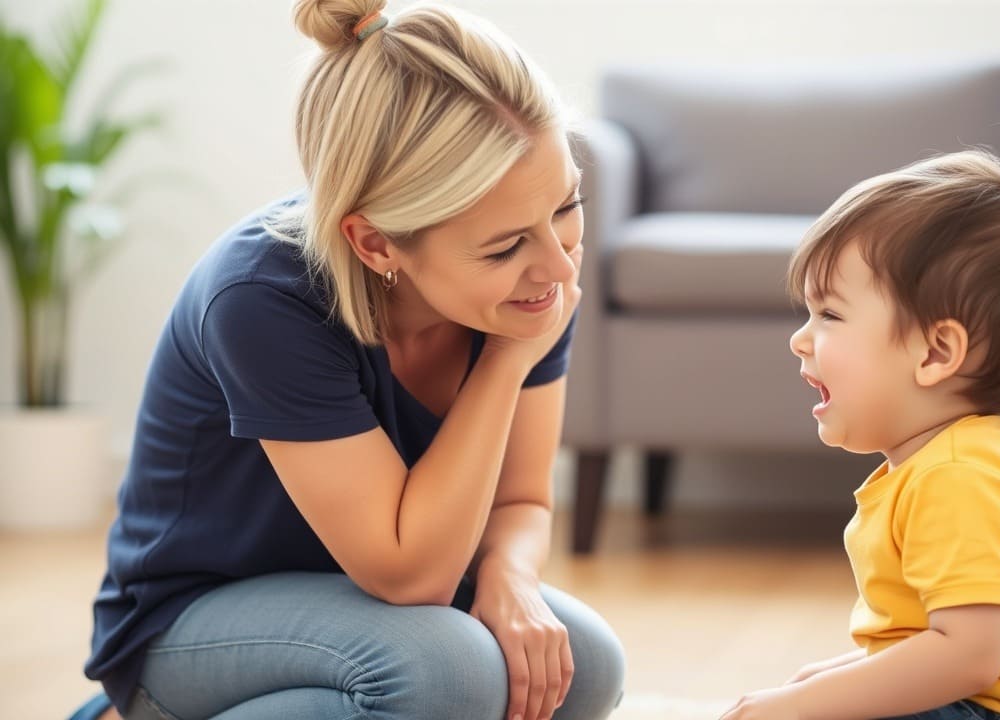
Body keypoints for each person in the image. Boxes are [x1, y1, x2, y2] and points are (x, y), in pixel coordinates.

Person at [71, 2, 624, 718]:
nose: (556, 264)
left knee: (582, 664)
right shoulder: (262, 297)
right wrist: (505, 365)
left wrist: (510, 577)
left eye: (566, 207)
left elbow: (520, 500)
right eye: (505, 246)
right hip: (193, 621)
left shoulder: (525, 282)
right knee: (448, 670)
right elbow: (411, 576)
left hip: (366, 605)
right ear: (375, 244)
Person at [720, 112, 1000, 720]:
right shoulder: (954, 461)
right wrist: (819, 684)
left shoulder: (962, 478)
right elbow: (929, 640)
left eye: (829, 315)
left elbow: (969, 658)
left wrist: (797, 708)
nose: (801, 340)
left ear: (936, 353)